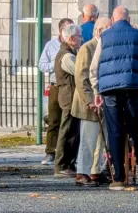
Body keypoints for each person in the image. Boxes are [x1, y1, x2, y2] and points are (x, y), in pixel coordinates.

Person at [91, 5, 138, 191]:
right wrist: (137, 73)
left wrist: (97, 91)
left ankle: (119, 178)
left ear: (112, 20)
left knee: (115, 133)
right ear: (128, 19)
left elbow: (94, 68)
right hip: (133, 89)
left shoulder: (104, 37)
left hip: (110, 91)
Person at [72, 16, 112, 187]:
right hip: (88, 102)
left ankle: (94, 171)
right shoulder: (87, 48)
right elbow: (81, 77)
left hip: (101, 101)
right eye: (109, 28)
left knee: (100, 140)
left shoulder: (105, 46)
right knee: (88, 140)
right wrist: (90, 100)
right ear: (100, 30)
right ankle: (82, 172)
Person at [38, 18, 73, 165]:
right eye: (67, 29)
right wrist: (57, 64)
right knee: (53, 120)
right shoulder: (51, 45)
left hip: (69, 85)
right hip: (55, 84)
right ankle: (50, 152)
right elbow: (41, 65)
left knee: (69, 120)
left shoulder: (74, 46)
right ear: (61, 31)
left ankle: (66, 152)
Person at [54, 23, 82, 178]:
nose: (81, 39)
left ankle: (68, 163)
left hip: (70, 96)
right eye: (79, 36)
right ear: (71, 38)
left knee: (72, 131)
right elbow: (79, 72)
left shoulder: (69, 53)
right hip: (69, 97)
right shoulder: (66, 56)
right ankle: (62, 165)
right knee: (67, 131)